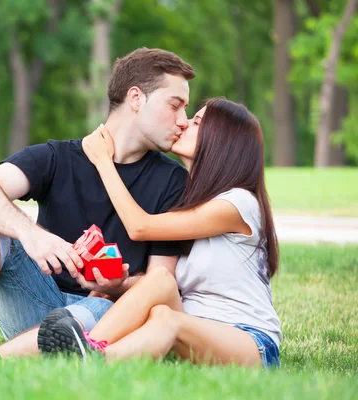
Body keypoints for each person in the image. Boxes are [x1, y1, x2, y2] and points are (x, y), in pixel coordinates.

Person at [0, 48, 195, 357]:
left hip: (103, 318)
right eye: (175, 105)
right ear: (137, 98)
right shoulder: (58, 157)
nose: (183, 120)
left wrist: (117, 285)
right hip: (35, 300)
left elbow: (160, 283)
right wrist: (31, 234)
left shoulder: (173, 182)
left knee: (102, 304)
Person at [38, 98, 282, 369]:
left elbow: (139, 226)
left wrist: (103, 162)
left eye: (196, 122)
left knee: (167, 319)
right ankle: (86, 350)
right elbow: (163, 282)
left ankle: (91, 355)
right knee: (161, 284)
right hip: (192, 330)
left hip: (249, 341)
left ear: (222, 141)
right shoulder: (194, 202)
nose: (183, 123)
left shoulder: (238, 203)